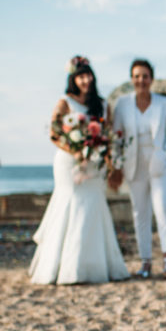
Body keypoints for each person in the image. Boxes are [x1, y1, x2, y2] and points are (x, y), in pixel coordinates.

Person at [28, 55, 129, 285]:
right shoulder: (65, 102)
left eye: (88, 75)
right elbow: (54, 132)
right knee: (70, 204)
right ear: (74, 79)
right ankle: (63, 267)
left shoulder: (102, 105)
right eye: (81, 76)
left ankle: (93, 266)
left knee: (93, 205)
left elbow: (110, 133)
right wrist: (74, 150)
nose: (86, 80)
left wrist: (108, 159)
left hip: (94, 163)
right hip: (69, 162)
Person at [111, 58, 166, 278]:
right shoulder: (122, 104)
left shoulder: (163, 103)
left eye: (145, 76)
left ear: (152, 79)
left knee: (162, 208)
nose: (141, 80)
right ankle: (145, 261)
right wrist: (117, 163)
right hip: (134, 164)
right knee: (140, 212)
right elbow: (116, 136)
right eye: (137, 76)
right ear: (132, 79)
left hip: (160, 164)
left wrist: (164, 153)